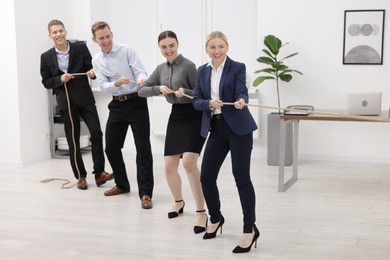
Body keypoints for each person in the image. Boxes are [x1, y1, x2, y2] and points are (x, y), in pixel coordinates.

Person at [192, 31, 260, 253]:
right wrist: (209, 103)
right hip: (217, 128)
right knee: (206, 176)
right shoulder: (202, 71)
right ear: (207, 49)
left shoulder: (237, 67)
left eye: (221, 46)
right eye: (213, 47)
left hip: (239, 128)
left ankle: (249, 229)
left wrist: (242, 100)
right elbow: (196, 101)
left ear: (227, 47)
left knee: (241, 177)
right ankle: (216, 217)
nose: (217, 51)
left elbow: (242, 91)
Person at [138, 30, 207, 232]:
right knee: (169, 165)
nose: (168, 50)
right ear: (160, 48)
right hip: (176, 116)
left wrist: (185, 92)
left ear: (178, 44)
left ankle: (201, 212)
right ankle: (178, 202)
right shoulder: (160, 68)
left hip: (193, 115)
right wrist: (159, 88)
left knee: (188, 163)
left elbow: (202, 95)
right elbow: (142, 90)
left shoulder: (189, 66)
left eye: (171, 45)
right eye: (164, 47)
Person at [40, 20, 113, 190]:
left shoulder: (80, 48)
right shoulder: (46, 57)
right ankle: (80, 176)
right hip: (66, 101)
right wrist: (60, 79)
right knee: (73, 140)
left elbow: (92, 69)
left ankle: (99, 173)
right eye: (54, 32)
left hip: (85, 98)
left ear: (65, 31)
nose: (58, 34)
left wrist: (93, 73)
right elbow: (46, 81)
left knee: (96, 132)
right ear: (50, 35)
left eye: (60, 31)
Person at [91, 21, 154, 209]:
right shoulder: (96, 60)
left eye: (108, 36)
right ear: (95, 39)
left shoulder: (127, 50)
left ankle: (145, 194)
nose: (106, 40)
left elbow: (141, 70)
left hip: (137, 102)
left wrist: (142, 79)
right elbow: (102, 85)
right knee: (110, 147)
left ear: (112, 34)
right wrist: (116, 84)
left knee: (142, 149)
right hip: (117, 104)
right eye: (101, 38)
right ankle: (122, 184)